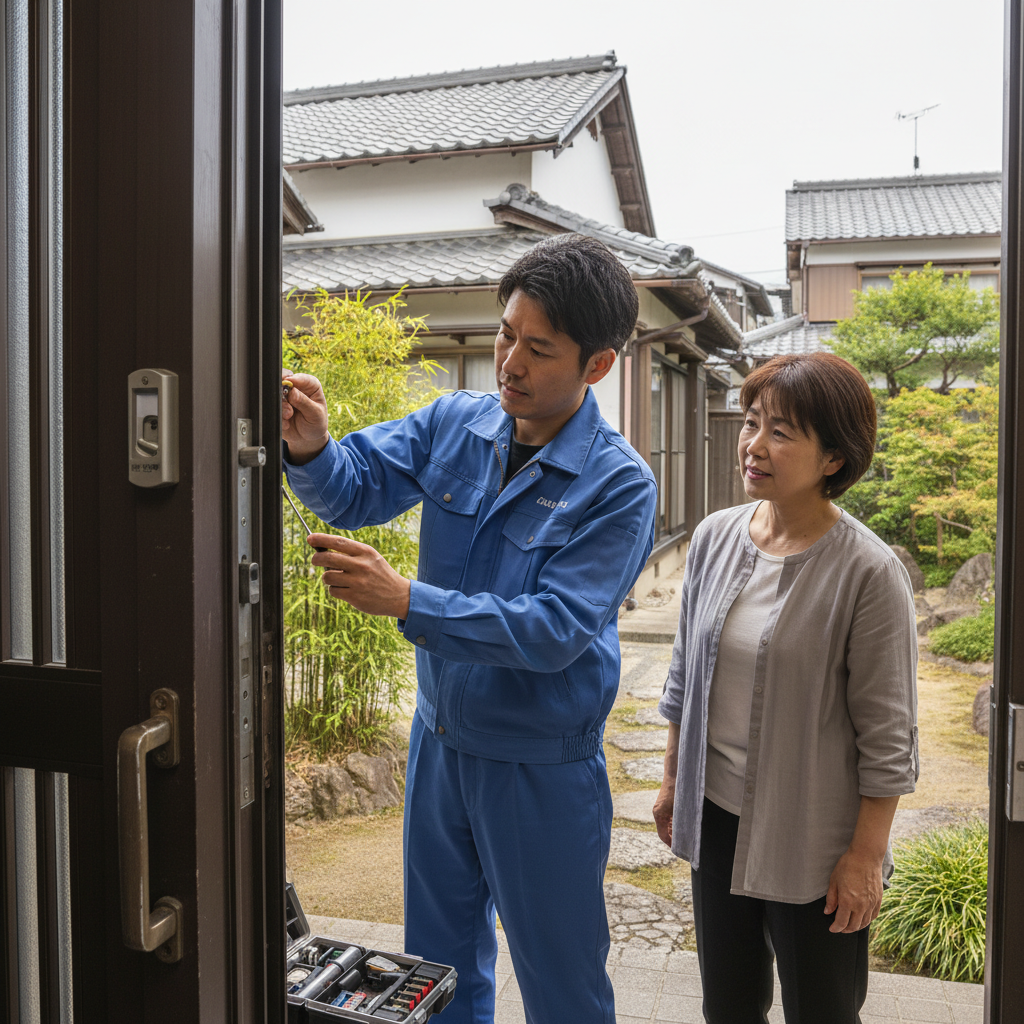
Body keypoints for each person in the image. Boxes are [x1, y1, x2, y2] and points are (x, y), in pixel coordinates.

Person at [282, 233, 657, 1024]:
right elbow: (354, 488)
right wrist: (311, 444)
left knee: (562, 983)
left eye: (539, 349)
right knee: (435, 972)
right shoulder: (457, 423)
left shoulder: (619, 486)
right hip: (440, 743)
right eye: (506, 334)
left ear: (596, 365)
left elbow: (555, 629)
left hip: (540, 765)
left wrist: (408, 601)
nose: (510, 362)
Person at [652, 352, 918, 1024]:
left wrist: (865, 857)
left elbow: (888, 738)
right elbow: (685, 676)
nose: (754, 444)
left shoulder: (869, 572)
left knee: (822, 1009)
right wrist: (671, 780)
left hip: (814, 836)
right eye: (751, 423)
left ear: (834, 457)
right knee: (728, 1005)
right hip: (716, 814)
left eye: (781, 432)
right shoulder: (714, 538)